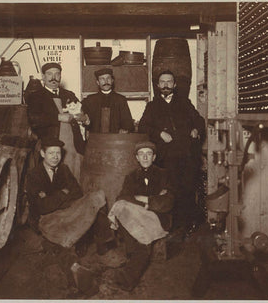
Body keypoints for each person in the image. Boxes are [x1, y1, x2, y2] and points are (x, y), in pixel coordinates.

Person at [138, 70, 206, 233]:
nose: (166, 85)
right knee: (169, 192)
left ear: (174, 85)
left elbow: (199, 120)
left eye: (169, 82)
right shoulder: (152, 106)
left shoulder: (184, 102)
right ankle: (171, 227)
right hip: (165, 157)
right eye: (163, 82)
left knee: (188, 191)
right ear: (158, 85)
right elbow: (143, 126)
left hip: (186, 155)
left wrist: (196, 129)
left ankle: (188, 227)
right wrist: (159, 133)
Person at [24, 137, 114, 256]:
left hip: (66, 211)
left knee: (96, 198)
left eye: (58, 153)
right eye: (51, 153)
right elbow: (42, 207)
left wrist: (53, 198)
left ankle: (101, 245)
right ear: (42, 154)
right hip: (46, 219)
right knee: (84, 214)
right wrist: (63, 193)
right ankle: (83, 242)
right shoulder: (34, 175)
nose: (55, 157)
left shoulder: (63, 169)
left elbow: (77, 193)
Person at [107, 141, 174, 291]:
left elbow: (167, 202)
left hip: (156, 217)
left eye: (148, 154)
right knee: (122, 209)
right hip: (138, 215)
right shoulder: (131, 176)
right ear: (136, 157)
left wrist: (142, 199)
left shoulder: (163, 174)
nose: (145, 157)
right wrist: (151, 200)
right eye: (141, 154)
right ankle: (132, 262)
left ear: (154, 157)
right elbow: (122, 197)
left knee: (142, 239)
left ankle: (128, 275)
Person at [27, 62, 87, 179]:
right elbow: (34, 120)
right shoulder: (36, 96)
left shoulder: (69, 95)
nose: (53, 78)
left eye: (57, 74)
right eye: (49, 74)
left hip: (73, 147)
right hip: (51, 145)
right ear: (43, 77)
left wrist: (84, 117)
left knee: (75, 177)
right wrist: (58, 117)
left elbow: (82, 114)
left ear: (60, 76)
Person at [81, 68, 134, 133]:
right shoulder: (90, 100)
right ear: (97, 82)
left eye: (108, 78)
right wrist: (85, 121)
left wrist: (125, 130)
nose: (106, 82)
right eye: (102, 79)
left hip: (115, 140)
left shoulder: (120, 99)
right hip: (95, 140)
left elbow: (128, 123)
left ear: (112, 80)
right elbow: (84, 120)